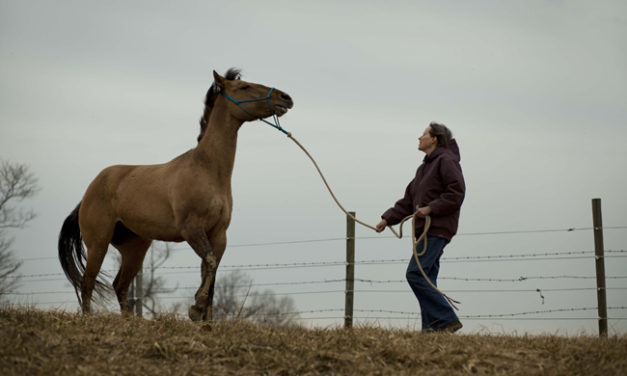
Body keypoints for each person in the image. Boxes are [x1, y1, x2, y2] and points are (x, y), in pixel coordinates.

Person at [376, 122, 465, 333]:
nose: (419, 138)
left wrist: (430, 208)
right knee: (426, 278)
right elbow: (409, 200)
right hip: (427, 229)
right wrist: (388, 219)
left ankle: (446, 319)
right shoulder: (425, 168)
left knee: (416, 274)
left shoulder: (446, 161)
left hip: (437, 227)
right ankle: (432, 329)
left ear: (434, 138)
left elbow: (456, 192)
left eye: (423, 134)